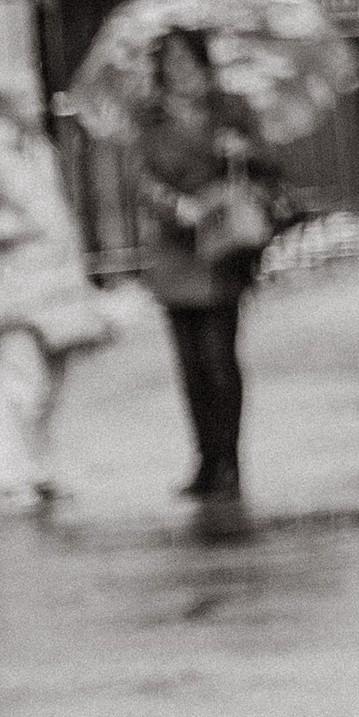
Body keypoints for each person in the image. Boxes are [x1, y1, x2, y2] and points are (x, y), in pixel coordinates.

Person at [133, 27, 280, 506]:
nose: (178, 68)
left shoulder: (231, 109)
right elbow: (140, 179)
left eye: (186, 58)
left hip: (223, 249)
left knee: (220, 359)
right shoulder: (150, 118)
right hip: (176, 250)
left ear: (202, 60)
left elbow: (271, 167)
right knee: (191, 364)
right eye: (169, 60)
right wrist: (175, 206)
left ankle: (229, 461)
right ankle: (203, 460)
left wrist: (243, 154)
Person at [0, 74, 111, 512]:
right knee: (19, 381)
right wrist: (17, 229)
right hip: (15, 287)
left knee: (51, 383)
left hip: (53, 285)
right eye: (22, 97)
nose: (33, 105)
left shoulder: (36, 147)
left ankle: (37, 468)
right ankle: (10, 477)